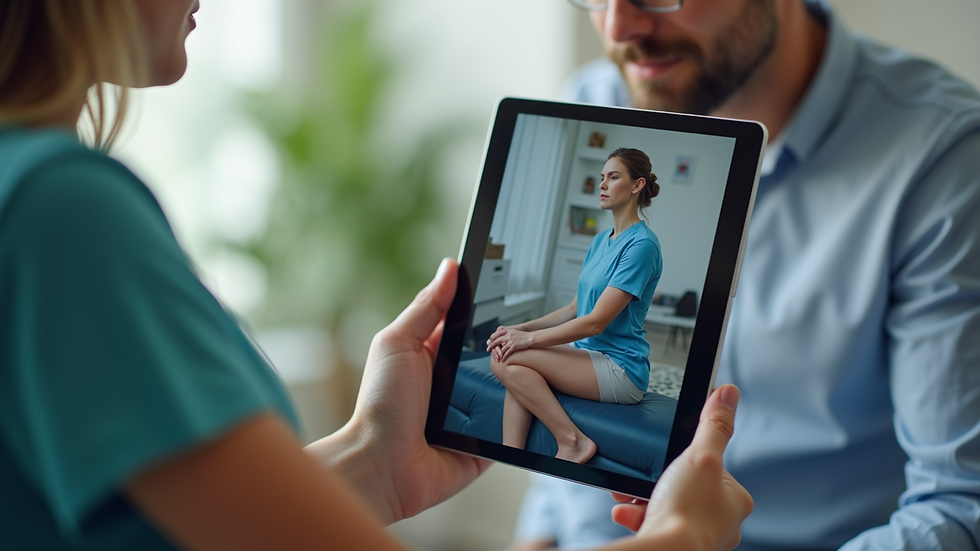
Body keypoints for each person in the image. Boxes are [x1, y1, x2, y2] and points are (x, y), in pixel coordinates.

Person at [0, 2, 754, 550]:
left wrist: (372, 456)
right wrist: (684, 536)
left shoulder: (29, 191)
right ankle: (568, 441)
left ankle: (564, 439)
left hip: (615, 364)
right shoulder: (60, 211)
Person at [512, 0, 980, 550]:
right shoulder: (594, 97)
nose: (618, 28)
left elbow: (960, 507)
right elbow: (561, 490)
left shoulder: (943, 158)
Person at [487, 148, 662, 464]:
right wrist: (517, 329)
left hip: (620, 367)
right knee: (509, 357)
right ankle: (508, 460)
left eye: (613, 177)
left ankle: (573, 441)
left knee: (506, 359)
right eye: (602, 177)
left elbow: (595, 322)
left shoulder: (642, 246)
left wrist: (528, 340)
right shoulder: (600, 240)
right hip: (587, 355)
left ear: (637, 185)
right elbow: (574, 308)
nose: (602, 184)